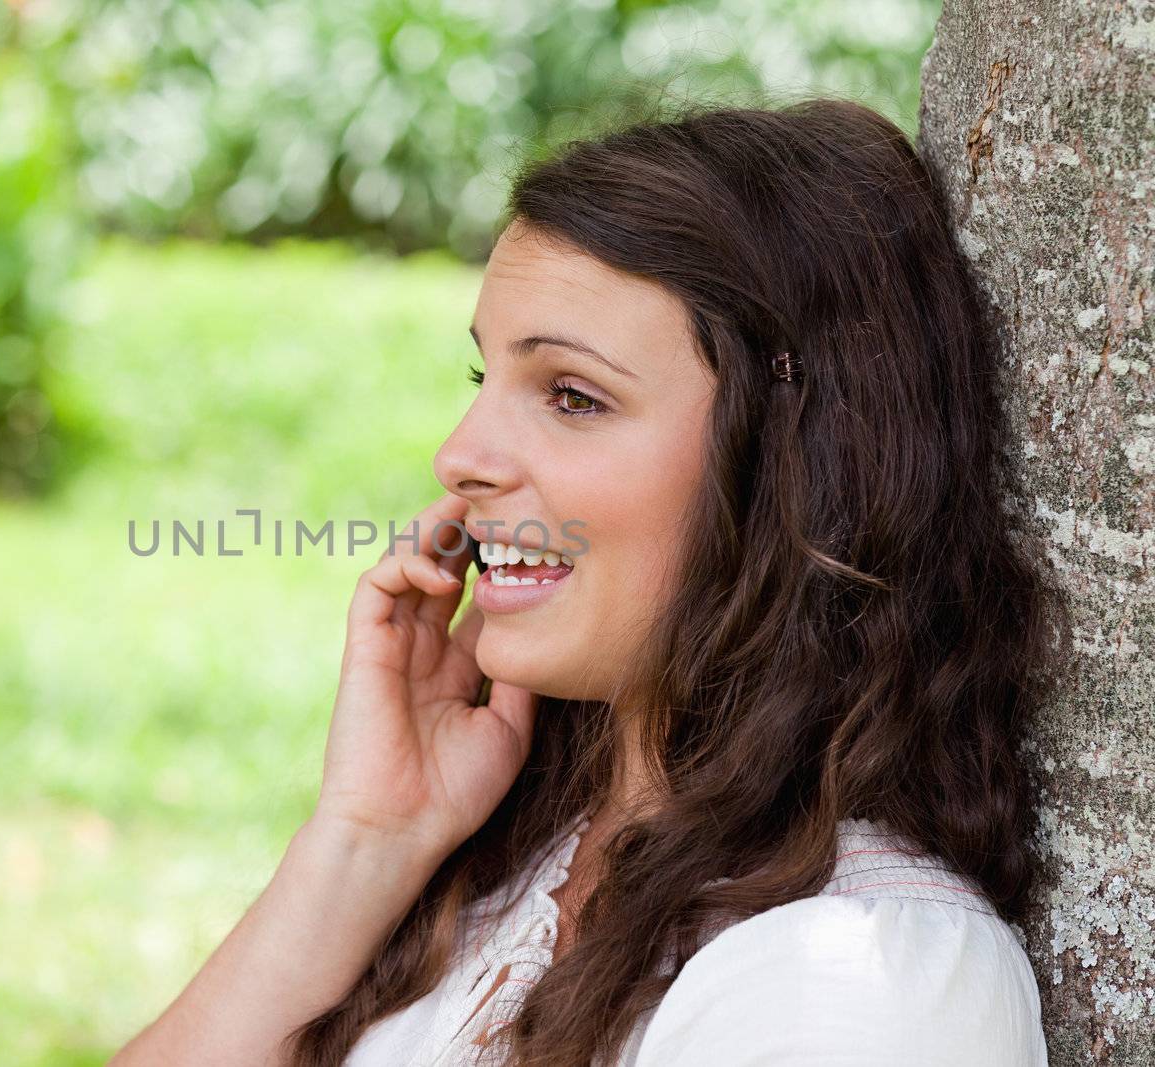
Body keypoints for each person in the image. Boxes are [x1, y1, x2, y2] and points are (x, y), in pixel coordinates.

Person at [110, 96, 1062, 1066]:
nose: (460, 455)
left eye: (571, 394)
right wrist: (366, 838)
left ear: (800, 465)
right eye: (480, 380)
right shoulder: (518, 856)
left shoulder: (853, 984)